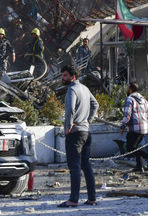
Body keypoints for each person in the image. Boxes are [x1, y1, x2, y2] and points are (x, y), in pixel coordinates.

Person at [59, 65, 99, 208]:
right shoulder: (85, 89)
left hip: (75, 133)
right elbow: (96, 104)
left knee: (74, 167)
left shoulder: (72, 89)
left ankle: (73, 199)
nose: (62, 78)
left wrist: (68, 127)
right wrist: (89, 120)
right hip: (86, 132)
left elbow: (70, 109)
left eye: (65, 75)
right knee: (86, 166)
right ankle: (92, 198)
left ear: (73, 76)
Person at [120, 82, 148, 172]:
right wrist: (145, 126)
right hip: (143, 129)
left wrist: (123, 125)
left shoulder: (130, 99)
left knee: (130, 148)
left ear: (130, 89)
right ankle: (139, 166)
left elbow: (127, 114)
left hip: (134, 129)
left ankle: (147, 155)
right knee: (136, 147)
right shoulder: (144, 100)